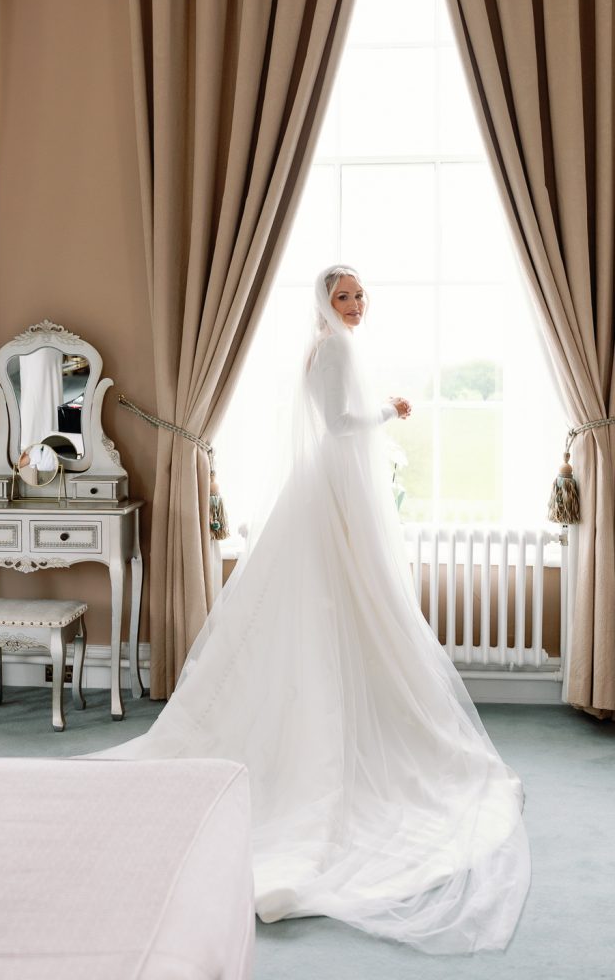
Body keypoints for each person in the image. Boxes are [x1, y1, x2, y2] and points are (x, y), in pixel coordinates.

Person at [91, 265, 531, 955]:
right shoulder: (331, 349)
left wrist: (378, 408)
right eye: (343, 297)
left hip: (337, 487)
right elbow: (338, 422)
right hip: (331, 492)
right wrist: (391, 410)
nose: (355, 306)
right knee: (337, 604)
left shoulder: (333, 348)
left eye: (359, 296)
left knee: (358, 607)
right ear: (324, 304)